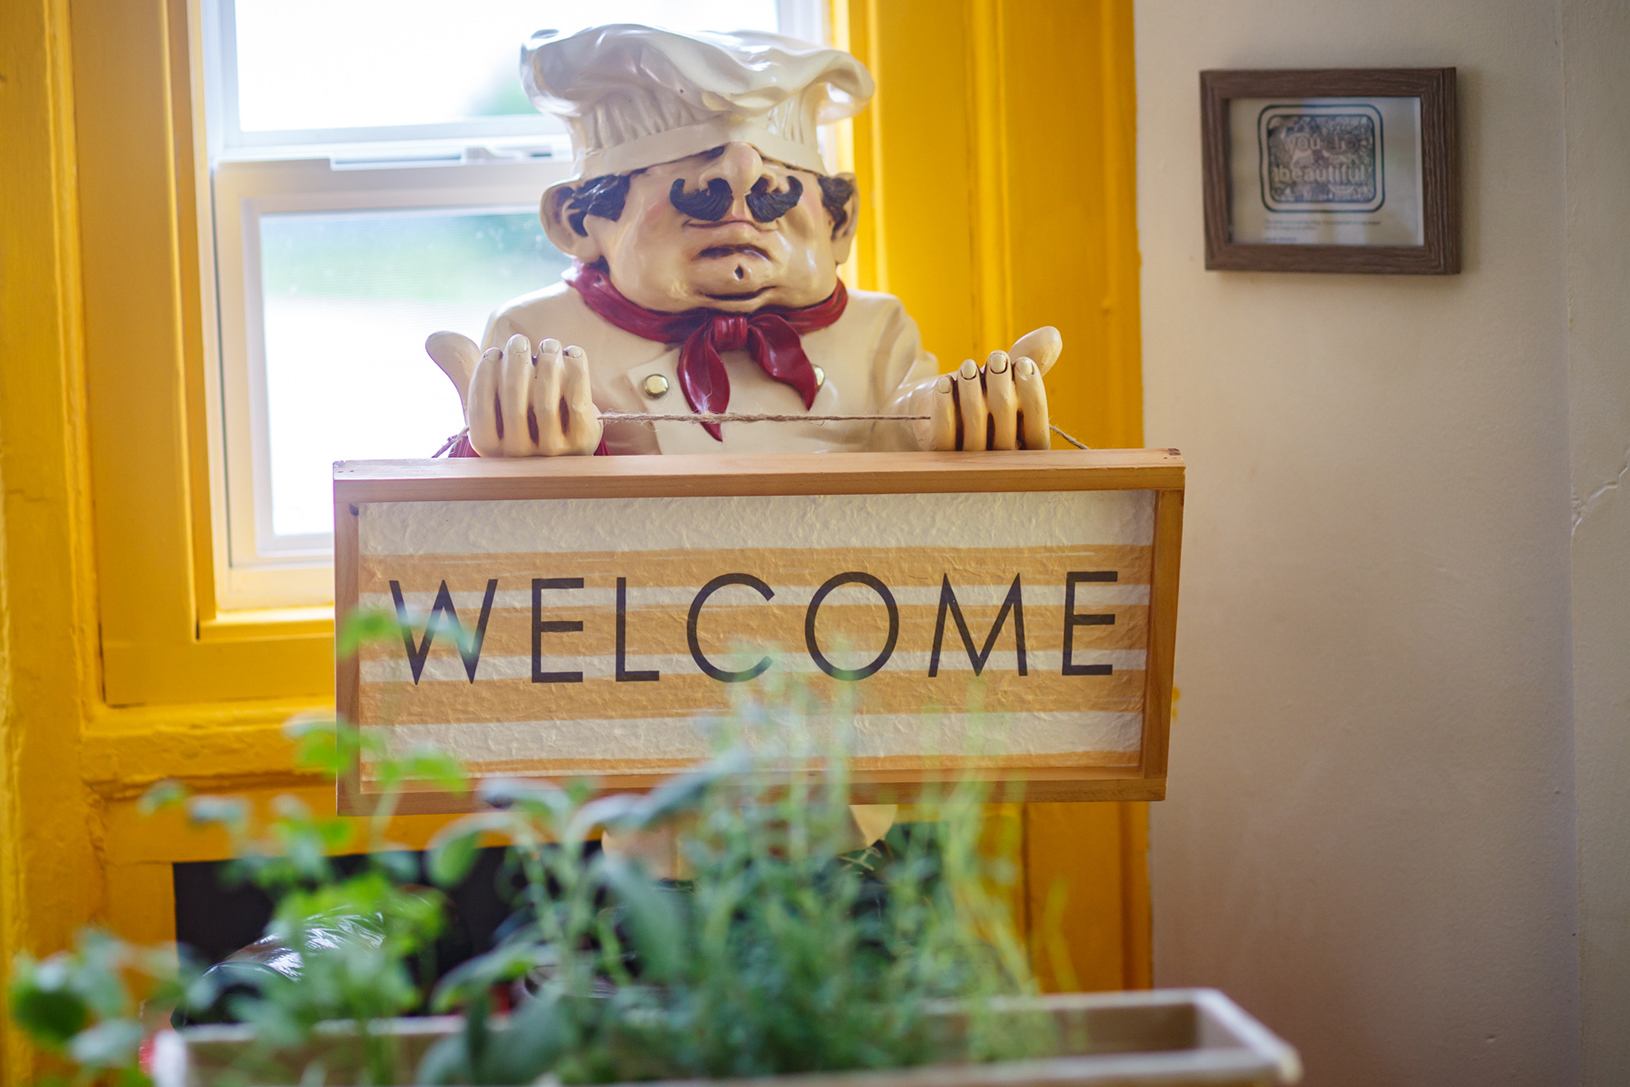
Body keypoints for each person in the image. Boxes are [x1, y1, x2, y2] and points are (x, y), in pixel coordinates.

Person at [425, 23, 1061, 459]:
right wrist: (504, 455)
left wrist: (958, 419)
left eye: (774, 198)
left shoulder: (878, 333)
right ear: (578, 221)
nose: (741, 212)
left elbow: (907, 440)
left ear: (839, 224)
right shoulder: (537, 336)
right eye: (695, 198)